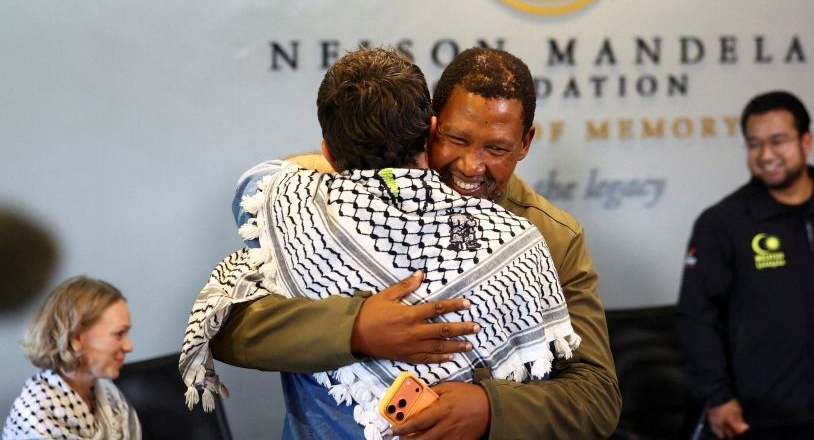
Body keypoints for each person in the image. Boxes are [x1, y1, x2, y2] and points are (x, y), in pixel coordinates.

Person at [181, 47, 617, 439]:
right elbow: (228, 328)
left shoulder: (549, 238)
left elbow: (596, 397)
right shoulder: (323, 207)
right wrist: (356, 328)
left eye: (497, 149)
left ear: (525, 143)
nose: (471, 166)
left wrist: (489, 409)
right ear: (429, 127)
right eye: (456, 139)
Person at [677, 90, 814, 439]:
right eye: (754, 144)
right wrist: (717, 397)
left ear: (806, 141)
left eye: (778, 141)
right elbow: (696, 319)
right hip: (750, 420)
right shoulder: (722, 223)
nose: (765, 155)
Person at [4, 275, 140, 439]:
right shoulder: (37, 417)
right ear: (76, 338)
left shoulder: (111, 396)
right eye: (119, 334)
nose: (128, 347)